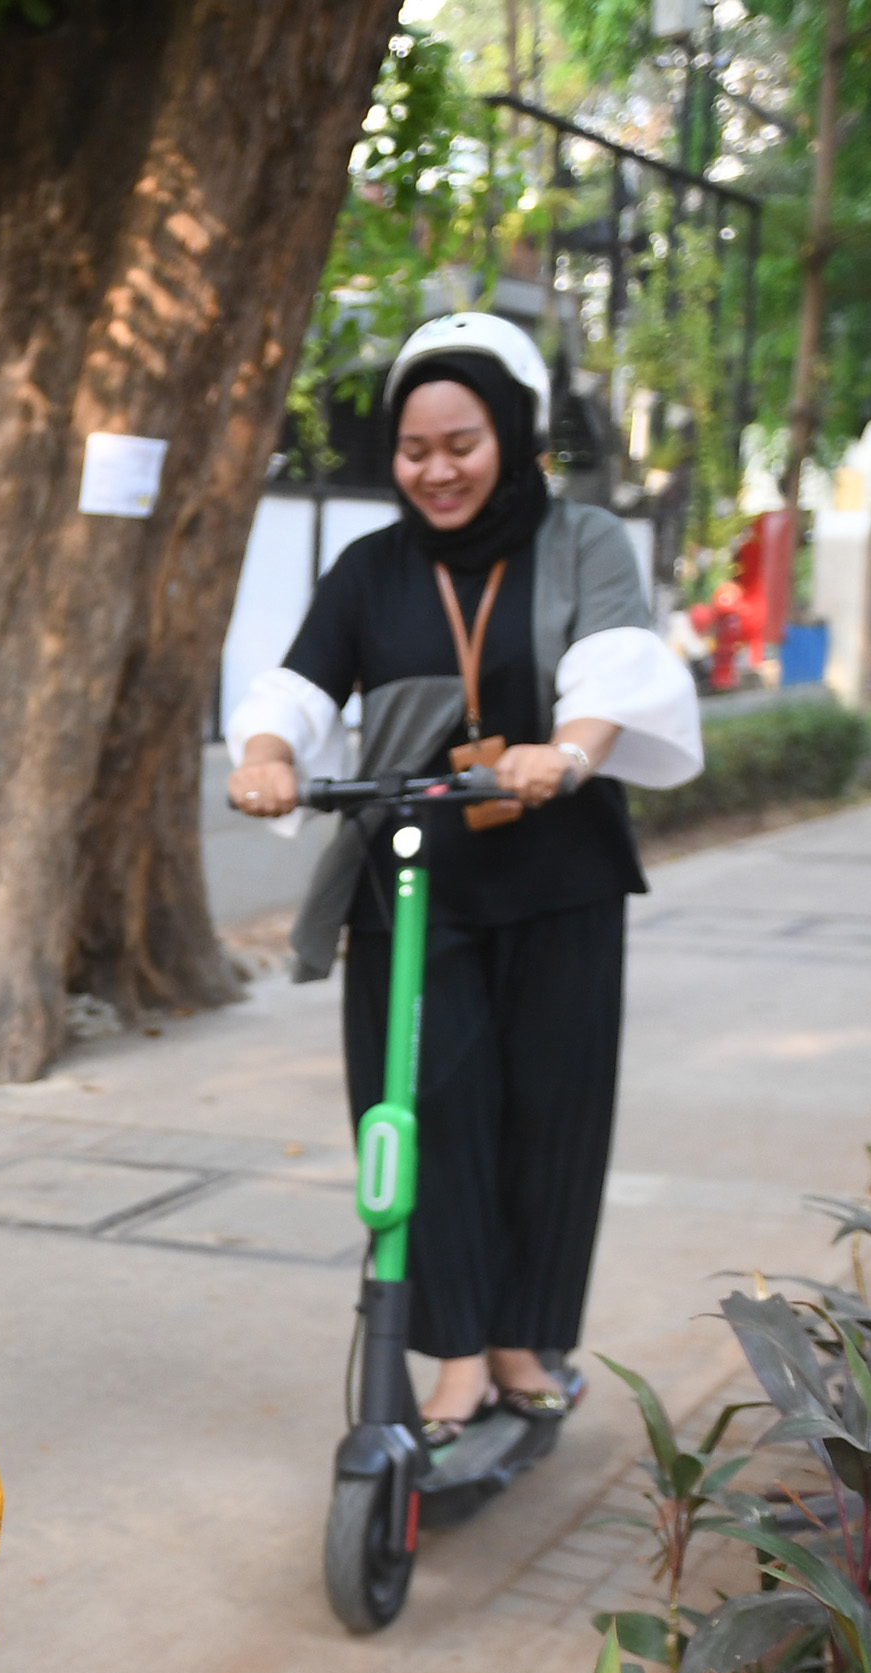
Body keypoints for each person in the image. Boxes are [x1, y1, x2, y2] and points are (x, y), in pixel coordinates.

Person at [220, 313, 703, 1443]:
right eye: (413, 448)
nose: (434, 470)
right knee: (422, 1119)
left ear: (519, 436)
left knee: (550, 1114)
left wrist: (568, 749)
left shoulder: (581, 540)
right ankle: (451, 1361)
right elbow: (296, 687)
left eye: (461, 443)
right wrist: (263, 757)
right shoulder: (370, 567)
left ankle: (519, 1344)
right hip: (413, 882)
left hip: (560, 875)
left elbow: (614, 660)